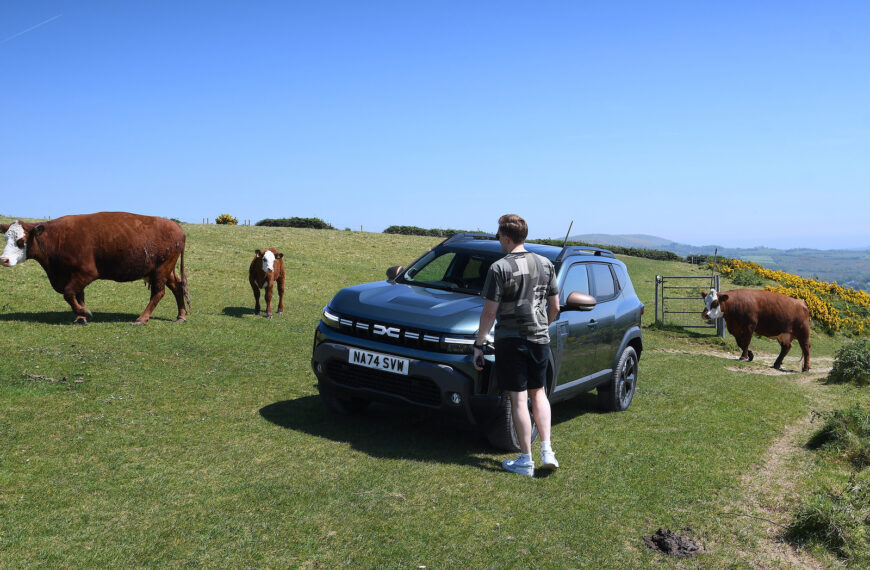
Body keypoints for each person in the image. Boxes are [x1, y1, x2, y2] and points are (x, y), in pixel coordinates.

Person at [473, 214, 560, 477]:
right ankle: (547, 450)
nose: (499, 240)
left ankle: (525, 459)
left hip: (511, 340)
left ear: (507, 237)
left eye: (499, 236)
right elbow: (555, 306)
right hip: (539, 339)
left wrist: (479, 343)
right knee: (539, 393)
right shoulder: (546, 264)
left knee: (519, 399)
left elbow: (489, 313)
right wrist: (544, 325)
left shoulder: (499, 268)